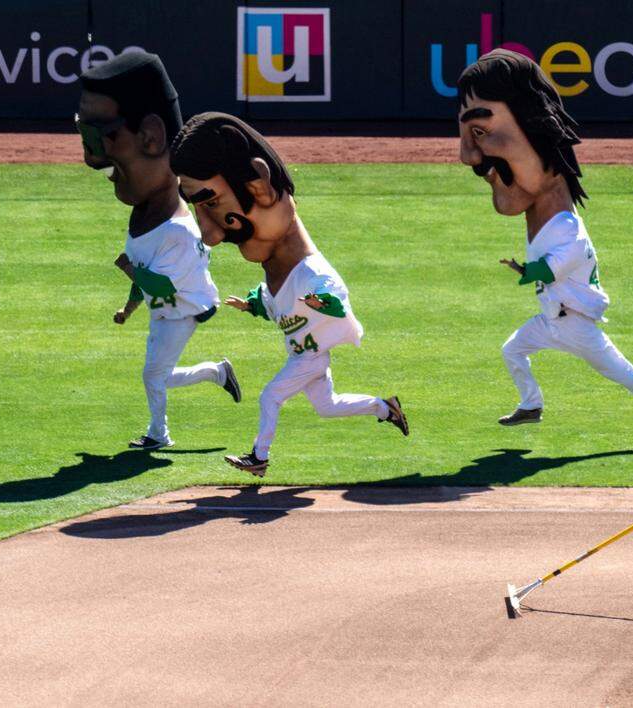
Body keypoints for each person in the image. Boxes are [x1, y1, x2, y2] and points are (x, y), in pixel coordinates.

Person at [169, 112, 409, 477]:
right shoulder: (279, 280)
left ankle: (259, 458)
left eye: (212, 204)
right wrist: (249, 305)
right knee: (327, 406)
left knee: (270, 396)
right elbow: (270, 304)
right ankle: (385, 407)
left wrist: (319, 303)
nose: (211, 236)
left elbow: (336, 299)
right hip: (305, 353)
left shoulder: (312, 273)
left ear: (260, 187)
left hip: (309, 356)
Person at [456, 49, 633, 437]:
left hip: (577, 327)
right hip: (549, 320)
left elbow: (547, 269)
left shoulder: (570, 232)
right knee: (512, 350)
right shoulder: (548, 222)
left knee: (621, 372)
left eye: (484, 133)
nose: (471, 157)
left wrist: (523, 271)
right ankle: (531, 404)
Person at [76, 52, 241, 450]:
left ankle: (158, 435)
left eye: (101, 137)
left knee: (153, 375)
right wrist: (128, 307)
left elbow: (161, 285)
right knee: (159, 375)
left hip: (183, 310)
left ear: (152, 136)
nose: (91, 156)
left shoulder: (179, 233)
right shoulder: (150, 224)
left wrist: (128, 270)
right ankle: (218, 374)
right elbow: (148, 280)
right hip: (166, 309)